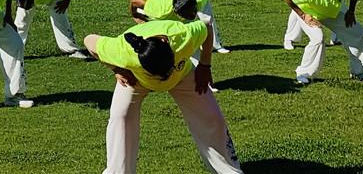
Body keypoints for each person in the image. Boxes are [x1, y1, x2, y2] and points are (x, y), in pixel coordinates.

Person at [84, 18, 243, 174]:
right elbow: (89, 40)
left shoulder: (182, 37)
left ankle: (229, 170)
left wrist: (205, 65)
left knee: (212, 117)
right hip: (135, 79)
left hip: (182, 76)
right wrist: (116, 69)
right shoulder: (123, 51)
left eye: (167, 71)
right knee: (121, 117)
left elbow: (207, 26)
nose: (164, 79)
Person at [280, 0, 363, 85]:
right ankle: (304, 74)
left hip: (332, 12)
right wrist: (303, 15)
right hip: (310, 14)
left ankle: (359, 72)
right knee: (317, 39)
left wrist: (351, 11)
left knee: (357, 31)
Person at [8, 0, 86, 60]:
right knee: (21, 21)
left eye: (28, 6)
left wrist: (66, 2)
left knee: (59, 13)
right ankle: (14, 50)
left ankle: (72, 49)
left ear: (35, 0)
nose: (25, 8)